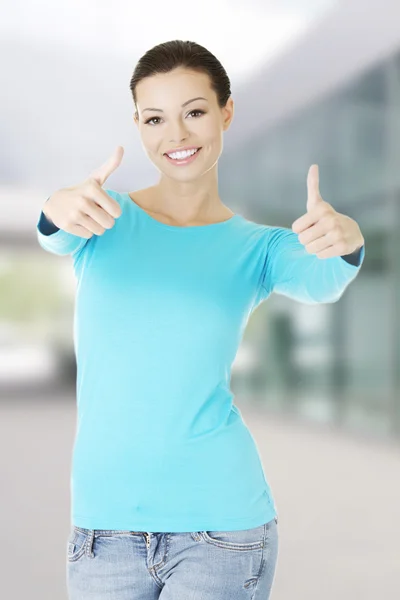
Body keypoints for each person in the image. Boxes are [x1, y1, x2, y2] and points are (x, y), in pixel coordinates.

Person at [36, 39, 365, 600]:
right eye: (155, 118)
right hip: (102, 532)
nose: (177, 135)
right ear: (138, 125)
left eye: (194, 112)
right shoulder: (101, 216)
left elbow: (326, 276)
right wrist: (57, 205)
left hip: (222, 533)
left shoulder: (257, 248)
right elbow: (55, 231)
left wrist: (347, 239)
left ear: (225, 112)